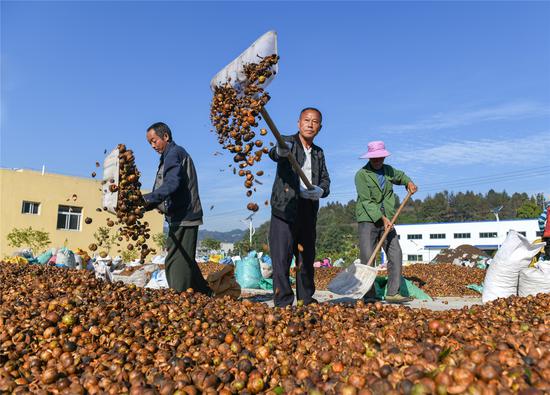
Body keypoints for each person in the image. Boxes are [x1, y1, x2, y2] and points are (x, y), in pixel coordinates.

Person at [268, 108, 331, 307]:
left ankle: (306, 298)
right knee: (281, 256)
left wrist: (320, 190)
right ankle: (284, 300)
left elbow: (326, 180)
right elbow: (274, 153)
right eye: (306, 120)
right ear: (298, 123)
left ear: (320, 127)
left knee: (306, 256)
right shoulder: (287, 141)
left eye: (315, 122)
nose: (310, 124)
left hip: (308, 209)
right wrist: (279, 151)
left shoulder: (319, 153)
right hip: (284, 208)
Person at [142, 122, 211, 295]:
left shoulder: (174, 153)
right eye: (150, 143)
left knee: (174, 259)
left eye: (154, 141)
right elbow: (168, 188)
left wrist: (148, 198)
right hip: (179, 215)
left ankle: (178, 296)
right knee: (185, 257)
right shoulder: (168, 156)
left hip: (185, 215)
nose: (153, 146)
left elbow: (172, 183)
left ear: (165, 136)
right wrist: (145, 205)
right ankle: (205, 293)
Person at [355, 141, 417, 303]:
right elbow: (366, 201)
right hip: (369, 220)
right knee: (368, 257)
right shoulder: (361, 175)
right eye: (374, 158)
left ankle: (393, 292)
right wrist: (381, 219)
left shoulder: (388, 171)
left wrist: (408, 182)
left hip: (388, 219)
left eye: (380, 157)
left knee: (396, 253)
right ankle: (369, 295)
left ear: (384, 156)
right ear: (369, 158)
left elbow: (401, 176)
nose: (377, 161)